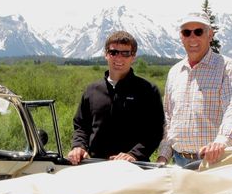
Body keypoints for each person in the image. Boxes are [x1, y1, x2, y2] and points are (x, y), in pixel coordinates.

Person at [156, 11, 232, 167]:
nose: (192, 38)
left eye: (198, 32)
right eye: (187, 32)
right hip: (179, 162)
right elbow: (169, 118)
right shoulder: (175, 72)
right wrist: (163, 155)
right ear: (181, 36)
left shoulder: (226, 67)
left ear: (210, 35)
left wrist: (221, 141)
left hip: (213, 161)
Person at [68, 31, 164, 165]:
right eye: (113, 52)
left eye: (125, 53)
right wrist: (79, 146)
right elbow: (81, 126)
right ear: (106, 54)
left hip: (133, 167)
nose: (119, 58)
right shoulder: (92, 90)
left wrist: (134, 154)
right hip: (94, 164)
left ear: (133, 56)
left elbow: (155, 131)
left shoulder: (148, 90)